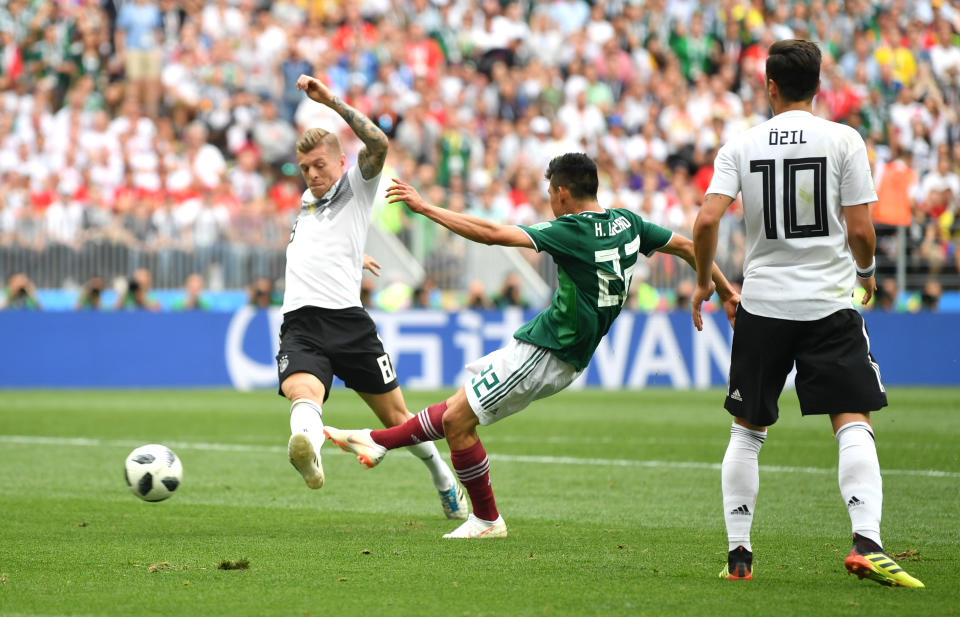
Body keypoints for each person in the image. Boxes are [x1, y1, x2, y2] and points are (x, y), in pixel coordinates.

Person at [325, 153, 739, 538]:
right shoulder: (628, 222)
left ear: (562, 193)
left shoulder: (572, 230)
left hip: (551, 353)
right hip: (544, 341)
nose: (550, 203)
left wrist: (427, 208)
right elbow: (687, 246)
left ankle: (481, 514)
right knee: (455, 411)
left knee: (458, 423)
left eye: (550, 195)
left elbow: (492, 234)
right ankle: (379, 442)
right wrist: (722, 290)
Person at [691, 40, 923, 587]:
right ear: (818, 86)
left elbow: (705, 222)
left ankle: (739, 558)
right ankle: (867, 541)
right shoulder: (844, 139)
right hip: (827, 304)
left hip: (763, 304)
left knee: (746, 432)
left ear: (769, 86)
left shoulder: (741, 145)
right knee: (851, 420)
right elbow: (862, 231)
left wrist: (705, 278)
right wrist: (865, 274)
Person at [277, 73, 467, 521]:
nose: (312, 174)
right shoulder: (306, 202)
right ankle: (309, 448)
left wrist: (333, 103)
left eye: (320, 165)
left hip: (349, 324)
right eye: (305, 168)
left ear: (341, 161)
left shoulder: (356, 185)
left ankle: (443, 479)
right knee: (303, 394)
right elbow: (320, 242)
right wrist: (353, 255)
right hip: (301, 323)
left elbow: (379, 143)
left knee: (398, 418)